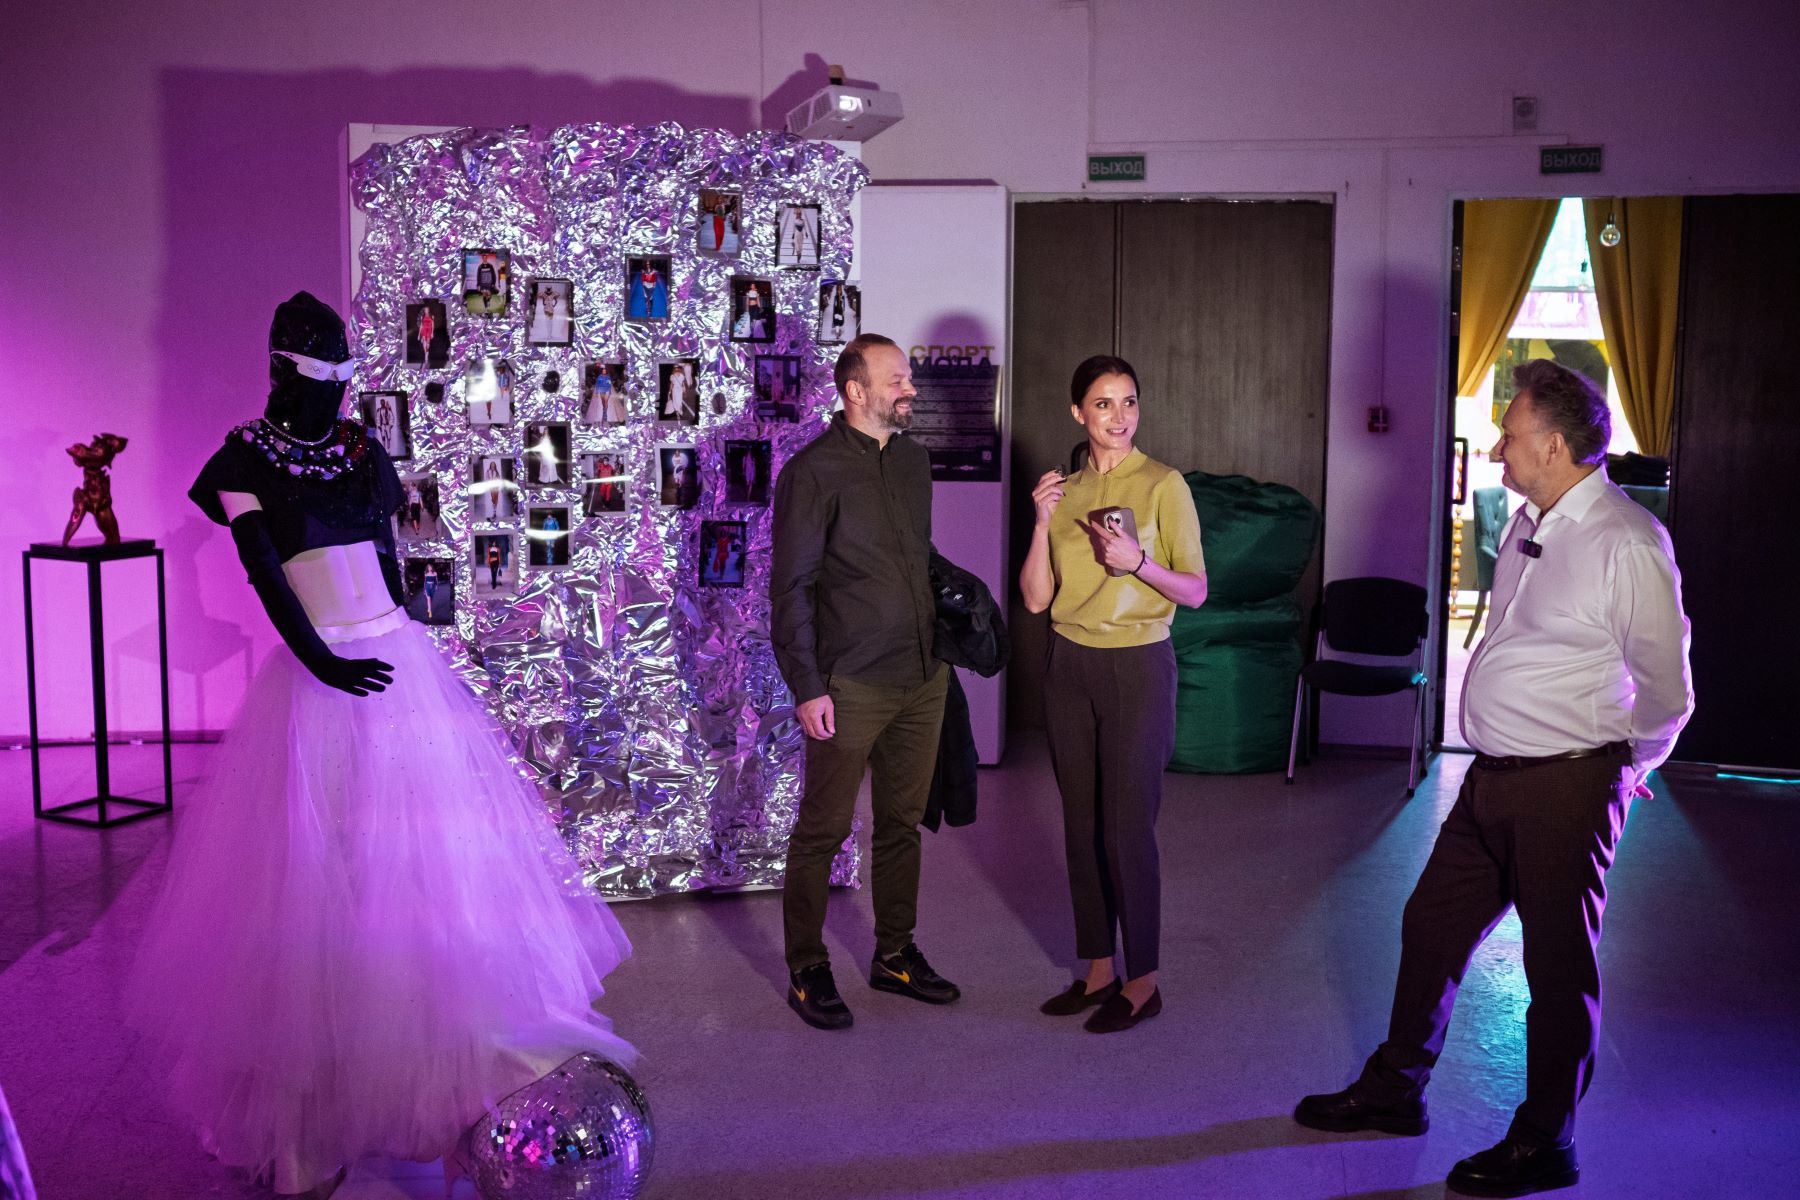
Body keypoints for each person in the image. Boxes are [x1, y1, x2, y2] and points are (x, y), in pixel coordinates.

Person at [125, 292, 632, 1199]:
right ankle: (310, 1125)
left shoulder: (361, 450)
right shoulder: (242, 460)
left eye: (344, 372)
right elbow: (265, 571)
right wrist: (318, 658)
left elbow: (388, 556)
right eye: (322, 371)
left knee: (422, 873)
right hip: (321, 681)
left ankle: (443, 1078)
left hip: (394, 666)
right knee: (316, 880)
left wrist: (404, 643)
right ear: (283, 368)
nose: (336, 388)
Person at [1294, 359, 1693, 1198]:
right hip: (1491, 781)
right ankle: (1395, 1091)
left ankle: (1546, 1142)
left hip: (1567, 787)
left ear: (1554, 445)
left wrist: (1623, 772)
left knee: (1557, 970)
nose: (1497, 450)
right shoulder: (1527, 521)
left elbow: (1668, 691)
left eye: (1510, 436)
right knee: (1431, 925)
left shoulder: (1626, 541)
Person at [770, 333, 956, 1031]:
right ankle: (806, 967)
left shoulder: (913, 461)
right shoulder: (811, 473)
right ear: (856, 391)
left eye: (907, 378)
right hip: (849, 684)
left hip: (922, 677)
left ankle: (896, 954)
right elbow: (791, 588)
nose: (910, 388)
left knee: (902, 824)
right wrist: (807, 686)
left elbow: (915, 559)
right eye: (897, 379)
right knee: (822, 832)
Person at [1018, 355, 1207, 1035]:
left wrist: (1140, 564)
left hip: (1137, 665)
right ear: (1078, 413)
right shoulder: (1062, 491)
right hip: (1069, 665)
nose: (1119, 416)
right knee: (1081, 825)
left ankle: (1143, 979)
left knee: (1128, 828)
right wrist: (1041, 523)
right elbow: (1035, 600)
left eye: (1129, 402)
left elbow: (1196, 590)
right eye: (1103, 404)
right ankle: (1098, 969)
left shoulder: (1163, 485)